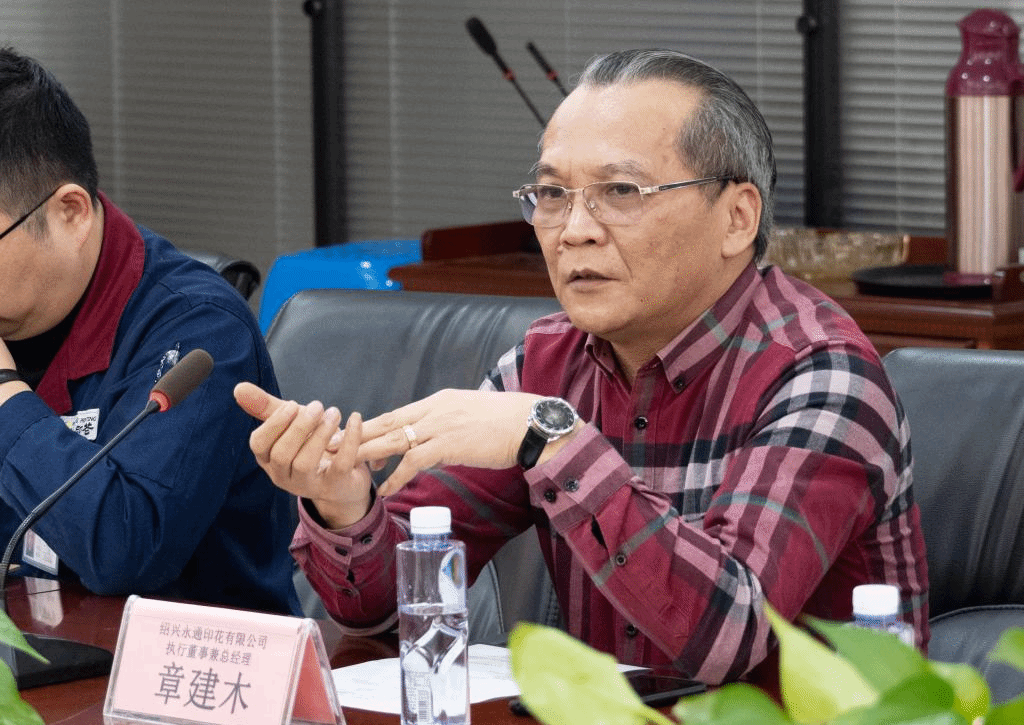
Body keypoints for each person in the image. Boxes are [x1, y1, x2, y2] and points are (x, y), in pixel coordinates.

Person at [235, 49, 928, 684]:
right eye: (552, 195)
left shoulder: (820, 373)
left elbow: (729, 634)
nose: (574, 230)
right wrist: (344, 502)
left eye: (621, 192)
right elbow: (382, 609)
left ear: (737, 218)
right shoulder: (546, 362)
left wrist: (555, 442)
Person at [0, 46, 299, 614]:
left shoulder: (200, 333)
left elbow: (126, 550)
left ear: (71, 212)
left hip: (188, 662)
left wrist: (5, 395)